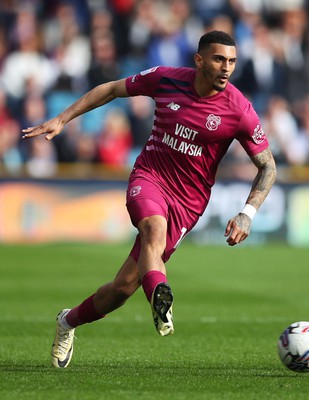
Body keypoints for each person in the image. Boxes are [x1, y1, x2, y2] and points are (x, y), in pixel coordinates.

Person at [22, 30, 277, 368]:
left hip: (188, 202)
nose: (226, 68)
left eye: (231, 61)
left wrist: (247, 214)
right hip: (149, 178)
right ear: (199, 60)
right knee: (153, 231)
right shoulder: (165, 79)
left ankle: (67, 321)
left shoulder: (239, 110)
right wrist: (61, 119)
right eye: (218, 59)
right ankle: (160, 296)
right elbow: (111, 89)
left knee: (121, 288)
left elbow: (268, 167)